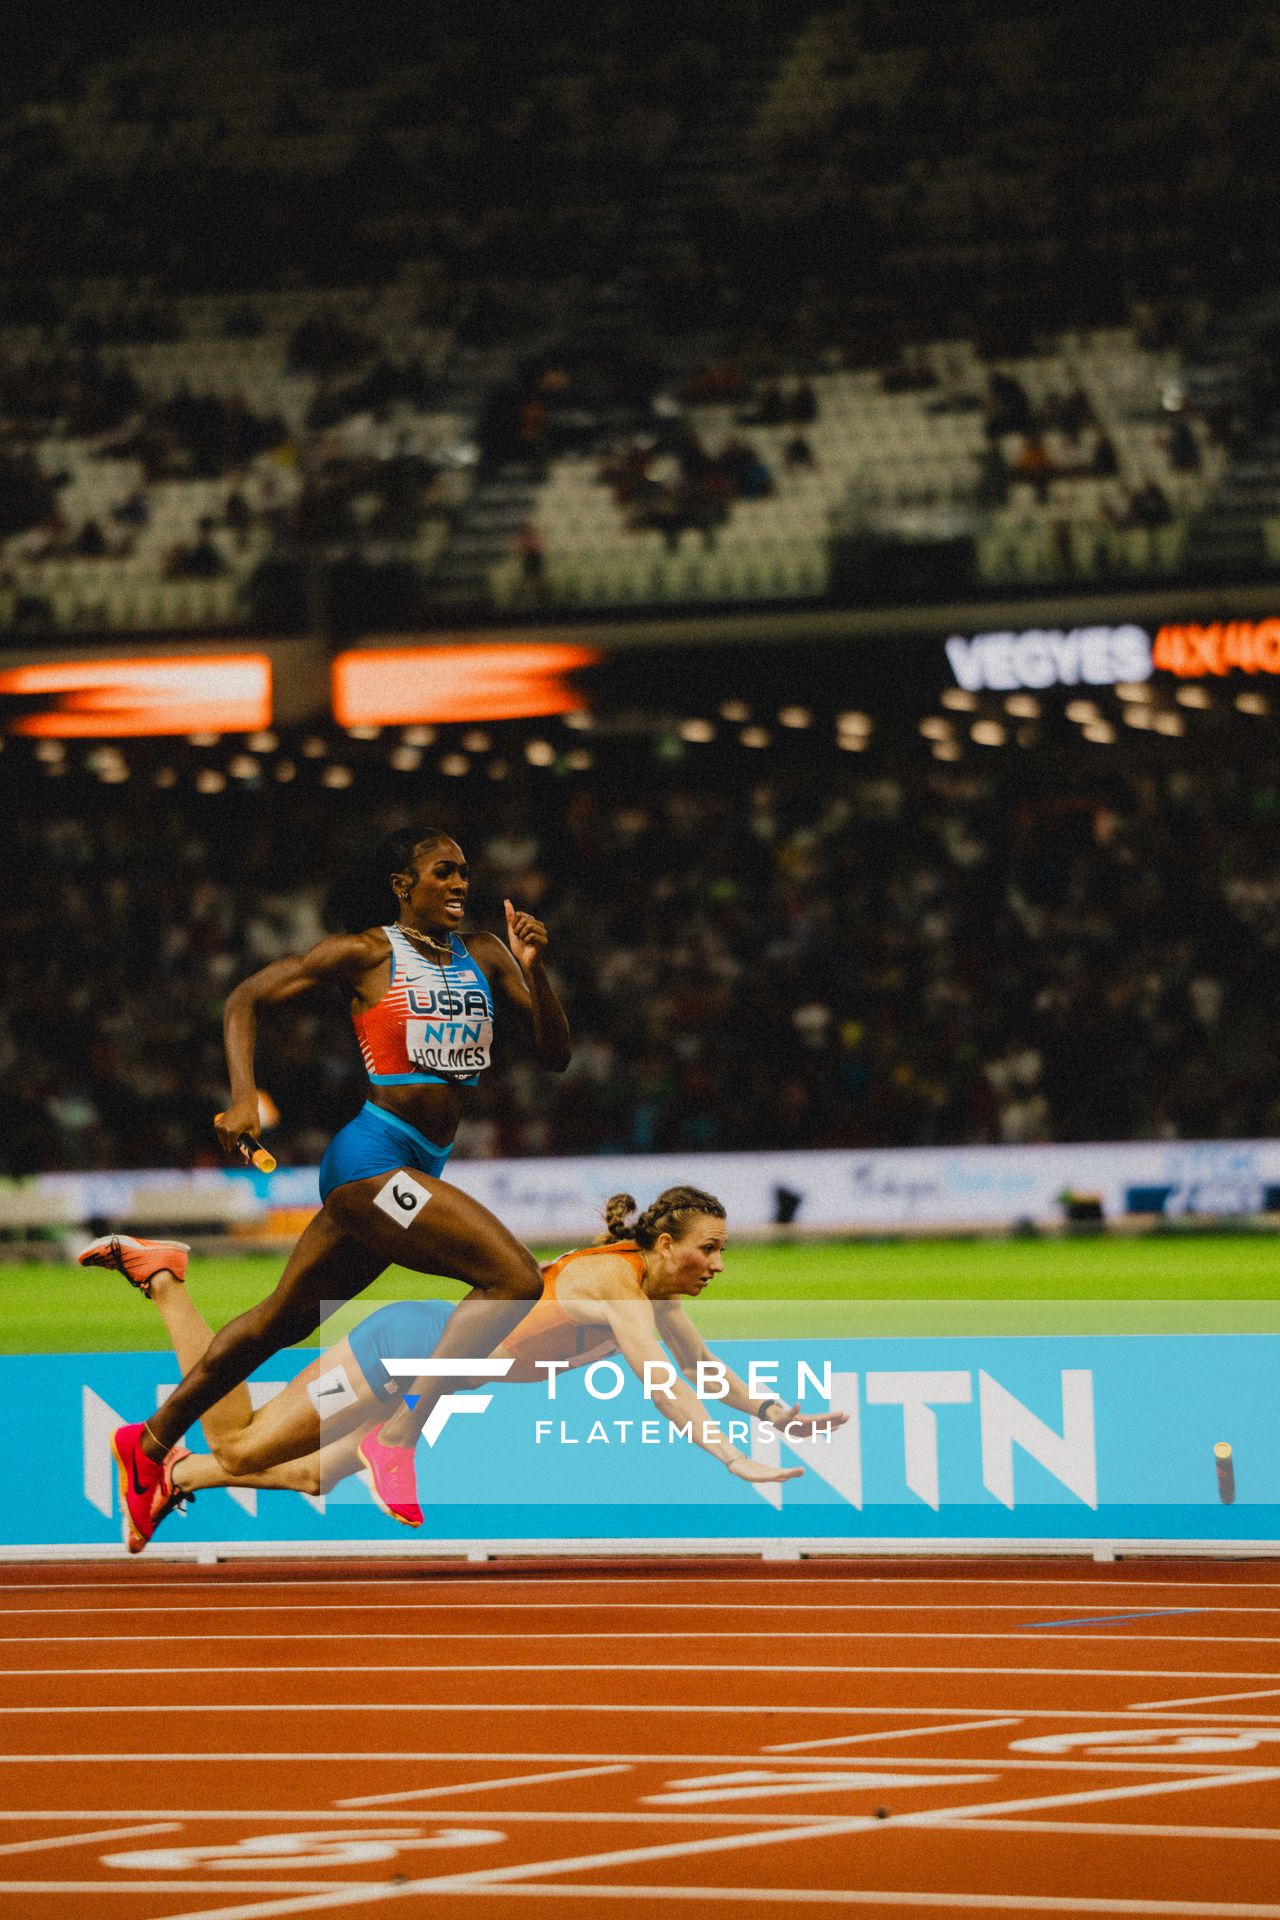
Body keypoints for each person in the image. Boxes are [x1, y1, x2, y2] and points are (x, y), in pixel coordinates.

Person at [99, 825, 571, 1551]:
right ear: (401, 884)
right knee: (511, 1277)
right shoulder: (366, 954)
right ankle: (399, 1437)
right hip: (370, 1161)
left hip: (419, 1161)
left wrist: (535, 969)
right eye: (442, 872)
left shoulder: (485, 955)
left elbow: (554, 1055)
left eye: (464, 872)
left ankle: (150, 1442)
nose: (458, 883)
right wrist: (244, 1096)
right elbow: (245, 999)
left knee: (280, 1323)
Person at [85, 1185, 839, 1543]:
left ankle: (171, 1475)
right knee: (241, 1444)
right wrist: (727, 1454)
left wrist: (776, 1414)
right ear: (665, 1246)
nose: (718, 1264)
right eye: (709, 1248)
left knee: (317, 1471)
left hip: (434, 1379)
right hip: (403, 1350)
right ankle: (163, 1279)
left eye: (723, 1251)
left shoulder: (658, 1299)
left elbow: (706, 1371)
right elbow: (663, 1384)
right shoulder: (612, 1287)